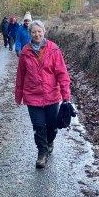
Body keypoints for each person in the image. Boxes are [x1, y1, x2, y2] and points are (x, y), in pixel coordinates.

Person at [15, 20, 71, 169]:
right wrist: (18, 95)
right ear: (30, 33)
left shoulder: (53, 49)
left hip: (51, 95)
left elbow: (62, 73)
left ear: (44, 32)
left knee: (52, 126)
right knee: (38, 126)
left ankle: (50, 141)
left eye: (39, 31)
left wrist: (66, 96)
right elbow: (20, 75)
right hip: (32, 96)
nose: (37, 34)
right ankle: (42, 152)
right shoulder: (25, 52)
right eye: (34, 32)